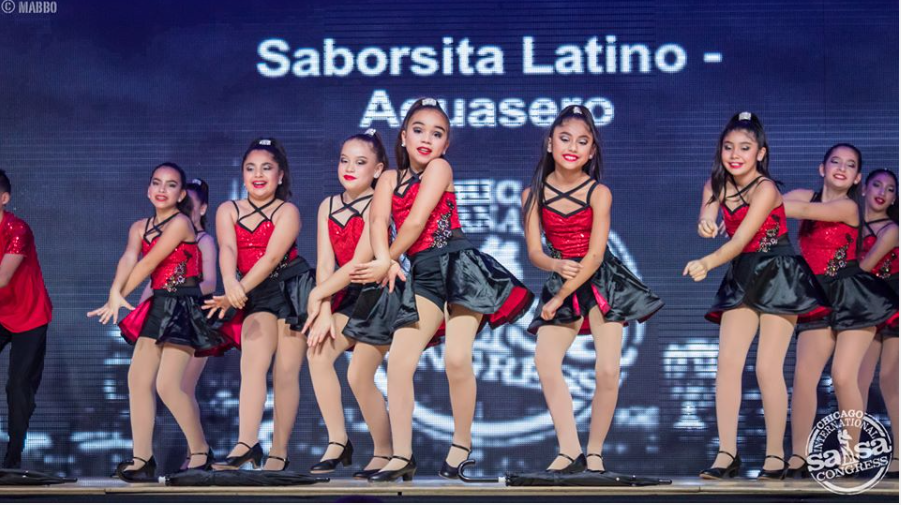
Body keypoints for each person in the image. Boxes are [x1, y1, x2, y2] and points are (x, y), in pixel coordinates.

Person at [351, 98, 534, 482]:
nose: (426, 139)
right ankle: (402, 456)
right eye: (418, 130)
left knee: (455, 359)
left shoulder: (439, 167)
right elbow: (379, 220)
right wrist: (387, 258)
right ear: (403, 136)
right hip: (423, 274)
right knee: (399, 362)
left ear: (446, 145)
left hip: (460, 267)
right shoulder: (386, 179)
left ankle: (461, 447)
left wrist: (388, 261)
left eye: (437, 134)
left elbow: (416, 221)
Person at [684, 112, 826, 480]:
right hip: (742, 276)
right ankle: (727, 454)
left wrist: (708, 261)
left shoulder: (766, 189)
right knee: (727, 364)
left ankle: (775, 456)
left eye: (744, 148)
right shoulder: (715, 185)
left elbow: (741, 239)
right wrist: (705, 223)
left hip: (778, 273)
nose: (735, 154)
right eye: (729, 147)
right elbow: (708, 216)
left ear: (760, 153)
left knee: (767, 367)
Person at [522, 105, 663, 473]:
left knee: (607, 370)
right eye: (565, 138)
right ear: (550, 143)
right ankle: (570, 450)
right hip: (562, 275)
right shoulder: (532, 194)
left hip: (602, 282)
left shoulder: (599, 193)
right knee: (545, 361)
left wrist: (559, 296)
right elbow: (535, 252)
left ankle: (595, 452)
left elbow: (597, 254)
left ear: (592, 151)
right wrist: (555, 266)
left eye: (582, 141)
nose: (573, 147)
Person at [89, 163, 224, 481]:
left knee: (167, 384)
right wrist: (114, 291)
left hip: (182, 305)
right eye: (157, 183)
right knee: (137, 381)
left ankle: (201, 451)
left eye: (171, 185)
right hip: (157, 304)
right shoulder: (139, 226)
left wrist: (117, 295)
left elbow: (151, 261)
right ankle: (142, 459)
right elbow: (129, 257)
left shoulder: (180, 224)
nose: (162, 189)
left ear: (180, 196)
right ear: (149, 189)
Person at [783, 147, 897, 478]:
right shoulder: (806, 193)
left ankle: (849, 455)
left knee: (844, 376)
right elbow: (779, 202)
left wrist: (762, 205)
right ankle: (798, 458)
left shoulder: (846, 205)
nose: (842, 168)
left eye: (851, 165)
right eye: (836, 162)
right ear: (822, 167)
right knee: (804, 377)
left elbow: (797, 209)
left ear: (857, 178)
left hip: (854, 296)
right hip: (817, 296)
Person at [205, 138, 315, 471]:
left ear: (281, 175)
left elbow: (270, 259)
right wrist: (230, 283)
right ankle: (246, 442)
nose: (258, 175)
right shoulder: (228, 209)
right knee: (252, 362)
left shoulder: (288, 211)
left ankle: (278, 454)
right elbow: (227, 249)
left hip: (292, 288)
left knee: (285, 373)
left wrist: (236, 291)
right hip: (254, 294)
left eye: (267, 168)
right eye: (251, 168)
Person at [300, 129, 395, 477]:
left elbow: (358, 263)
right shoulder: (327, 204)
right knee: (317, 351)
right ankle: (338, 441)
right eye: (344, 160)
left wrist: (316, 294)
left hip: (379, 296)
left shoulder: (378, 202)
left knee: (359, 375)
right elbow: (325, 264)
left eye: (360, 162)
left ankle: (386, 452)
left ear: (377, 169)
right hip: (342, 294)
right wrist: (323, 308)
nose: (350, 168)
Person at [0, 169, 52, 469]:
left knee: (17, 384)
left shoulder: (18, 229)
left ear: (4, 199)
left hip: (29, 313)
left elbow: (4, 277)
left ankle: (13, 454)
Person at [855, 168, 899, 479]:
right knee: (856, 380)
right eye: (877, 185)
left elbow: (866, 265)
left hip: (894, 302)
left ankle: (899, 454)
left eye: (891, 189)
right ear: (864, 189)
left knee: (889, 379)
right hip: (865, 306)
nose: (883, 192)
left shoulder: (892, 229)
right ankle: (849, 454)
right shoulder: (850, 223)